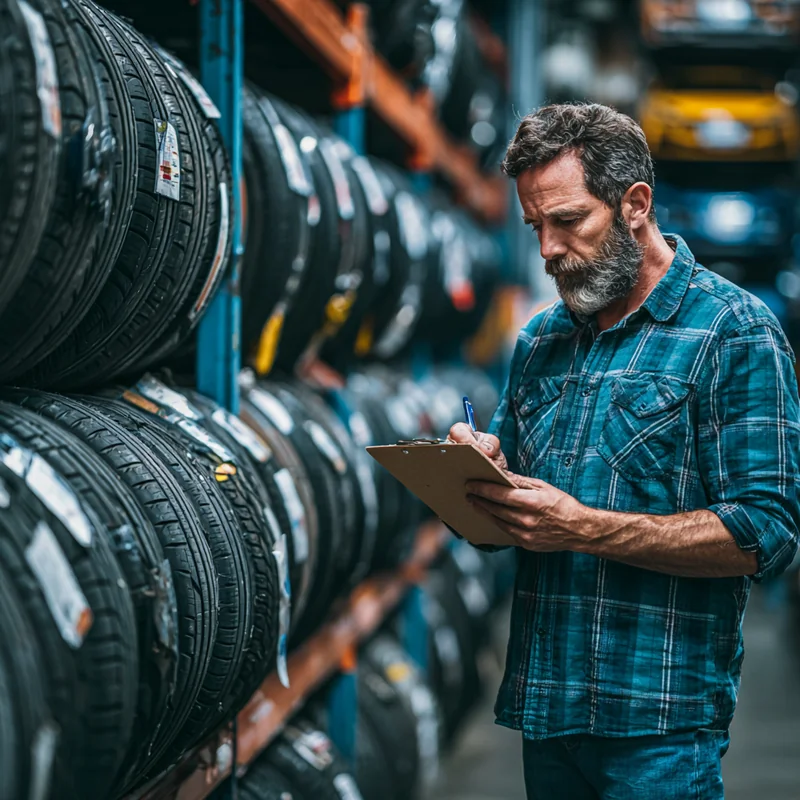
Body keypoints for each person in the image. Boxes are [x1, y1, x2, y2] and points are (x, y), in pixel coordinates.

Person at [449, 103, 800, 800]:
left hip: (660, 730)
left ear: (635, 203)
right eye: (534, 226)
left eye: (569, 221)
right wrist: (476, 475)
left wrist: (581, 526)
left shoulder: (732, 330)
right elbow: (502, 528)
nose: (547, 249)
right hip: (547, 716)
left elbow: (766, 533)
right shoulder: (543, 340)